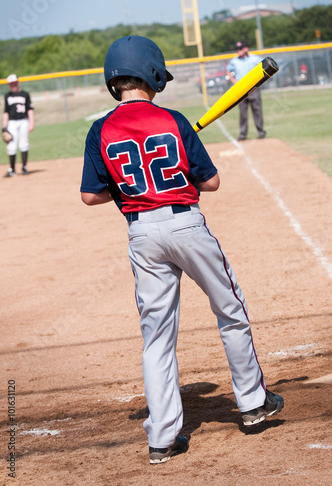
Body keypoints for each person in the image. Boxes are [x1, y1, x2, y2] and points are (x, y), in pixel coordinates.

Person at [80, 36, 283, 465]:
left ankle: (163, 439)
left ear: (113, 79)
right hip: (186, 224)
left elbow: (90, 196)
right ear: (153, 74)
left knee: (156, 335)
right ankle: (252, 403)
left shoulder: (100, 128)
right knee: (230, 309)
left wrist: (130, 186)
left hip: (142, 235)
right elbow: (211, 183)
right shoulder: (174, 120)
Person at [226, 41, 266, 141]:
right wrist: (233, 80)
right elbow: (228, 70)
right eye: (237, 49)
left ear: (246, 48)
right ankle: (243, 134)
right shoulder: (234, 61)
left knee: (257, 111)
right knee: (243, 113)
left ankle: (261, 132)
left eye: (241, 48)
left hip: (254, 88)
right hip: (241, 89)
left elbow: (264, 66)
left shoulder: (254, 58)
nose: (238, 51)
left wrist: (259, 80)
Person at [2, 74, 34, 177]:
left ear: (18, 82)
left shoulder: (25, 94)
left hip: (23, 121)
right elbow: (6, 112)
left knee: (24, 143)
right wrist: (4, 127)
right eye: (11, 84)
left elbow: (30, 110)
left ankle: (24, 167)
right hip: (12, 122)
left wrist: (31, 123)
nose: (13, 85)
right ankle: (12, 169)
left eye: (14, 83)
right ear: (9, 85)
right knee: (11, 144)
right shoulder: (7, 96)